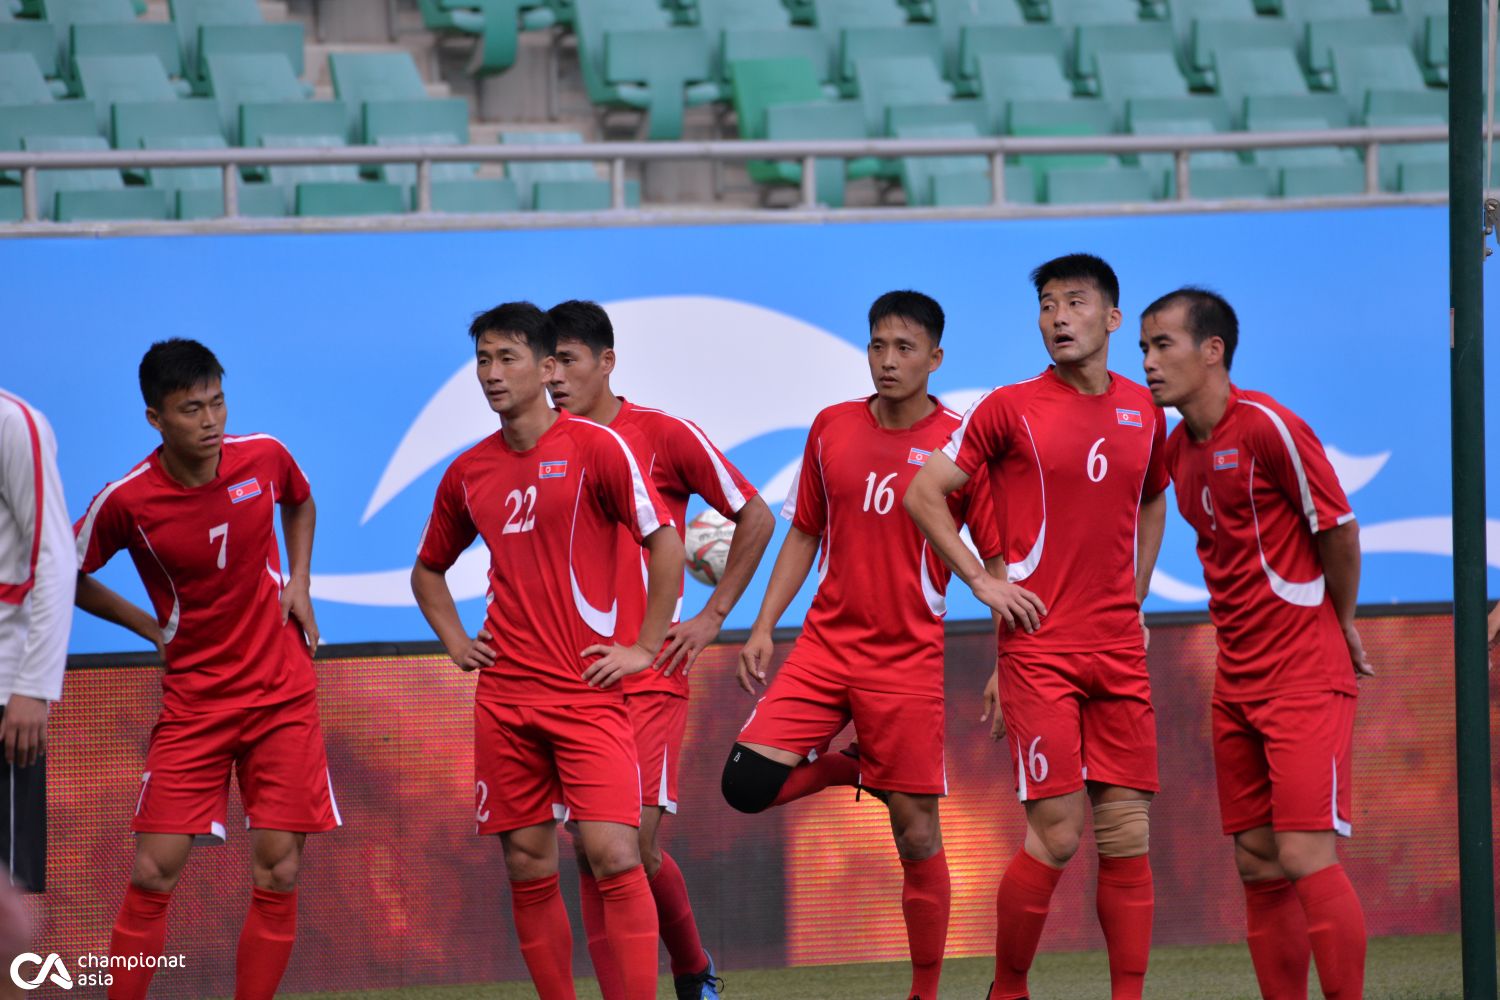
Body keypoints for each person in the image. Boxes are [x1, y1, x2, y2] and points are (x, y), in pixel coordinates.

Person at [720, 291, 1001, 1000]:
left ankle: (924, 993)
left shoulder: (962, 444)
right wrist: (762, 625)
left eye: (904, 348)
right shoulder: (833, 427)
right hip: (824, 649)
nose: (887, 360)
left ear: (935, 359)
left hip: (906, 662)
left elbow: (998, 560)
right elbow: (805, 533)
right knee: (744, 786)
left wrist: (1006, 660)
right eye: (878, 346)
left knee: (916, 840)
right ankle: (853, 771)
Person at [905, 254, 1167, 1000]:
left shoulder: (1144, 409)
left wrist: (1137, 596)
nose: (1057, 317)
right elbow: (926, 495)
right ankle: (1008, 989)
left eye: (1074, 302)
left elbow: (1154, 498)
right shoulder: (1008, 406)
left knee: (1126, 836)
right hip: (1041, 650)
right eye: (1047, 304)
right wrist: (985, 582)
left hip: (1118, 648)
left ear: (1112, 319)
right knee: (1057, 834)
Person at [410, 302, 685, 1000]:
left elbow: (665, 543)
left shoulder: (596, 448)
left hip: (587, 694)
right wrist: (455, 642)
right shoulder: (469, 471)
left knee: (615, 855)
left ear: (546, 367)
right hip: (505, 701)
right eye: (482, 360)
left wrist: (644, 646)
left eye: (507, 358)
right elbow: (428, 570)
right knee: (529, 866)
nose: (491, 373)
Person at [74, 339, 337, 1000]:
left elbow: (300, 501)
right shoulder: (128, 501)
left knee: (278, 871)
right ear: (155, 419)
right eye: (192, 409)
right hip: (196, 705)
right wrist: (146, 625)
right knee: (152, 874)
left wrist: (299, 580)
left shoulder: (265, 456)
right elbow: (63, 573)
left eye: (217, 401)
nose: (210, 419)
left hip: (282, 695)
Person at [1139, 287, 1369, 1000]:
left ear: (1213, 351)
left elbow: (1337, 529)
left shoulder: (1269, 425)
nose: (1147, 363)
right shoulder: (1176, 450)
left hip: (1304, 674)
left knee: (1304, 852)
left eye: (1162, 345)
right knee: (1259, 862)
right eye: (1143, 348)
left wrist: (1344, 619)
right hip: (1234, 682)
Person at [546, 299, 774, 1000]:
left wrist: (712, 615)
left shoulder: (664, 435)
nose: (554, 377)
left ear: (607, 362)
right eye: (546, 362)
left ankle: (691, 968)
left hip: (648, 675)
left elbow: (757, 516)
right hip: (569, 678)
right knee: (592, 853)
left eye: (568, 361)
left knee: (630, 850)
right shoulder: (539, 449)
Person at [0, 390, 74, 895]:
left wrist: (33, 687)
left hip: (5, 695)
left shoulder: (13, 421)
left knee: (6, 894)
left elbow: (56, 557)